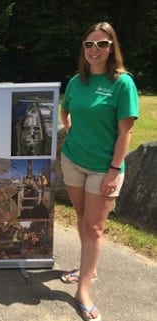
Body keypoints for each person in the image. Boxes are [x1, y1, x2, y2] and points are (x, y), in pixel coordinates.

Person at [59, 22, 139, 321]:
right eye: (89, 44)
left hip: (104, 167)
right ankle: (85, 267)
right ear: (83, 49)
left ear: (111, 47)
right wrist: (71, 132)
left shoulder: (122, 83)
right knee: (82, 218)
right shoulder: (75, 82)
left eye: (102, 44)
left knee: (94, 227)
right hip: (73, 161)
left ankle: (83, 290)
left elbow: (125, 133)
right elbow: (65, 111)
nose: (95, 50)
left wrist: (113, 170)